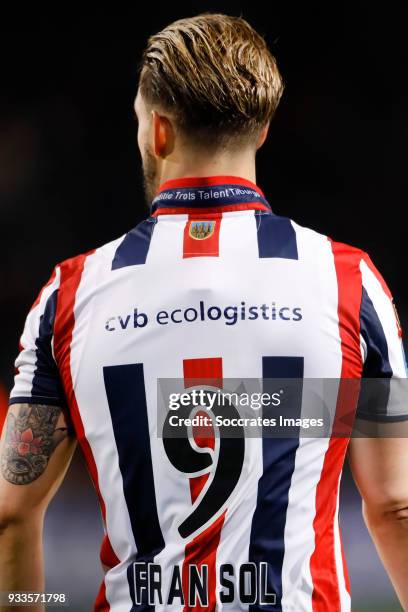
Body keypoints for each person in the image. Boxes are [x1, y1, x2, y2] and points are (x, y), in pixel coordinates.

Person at [1, 13, 407, 612]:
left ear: (157, 132)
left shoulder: (71, 293)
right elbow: (395, 505)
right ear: (263, 130)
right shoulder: (349, 281)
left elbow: (11, 516)